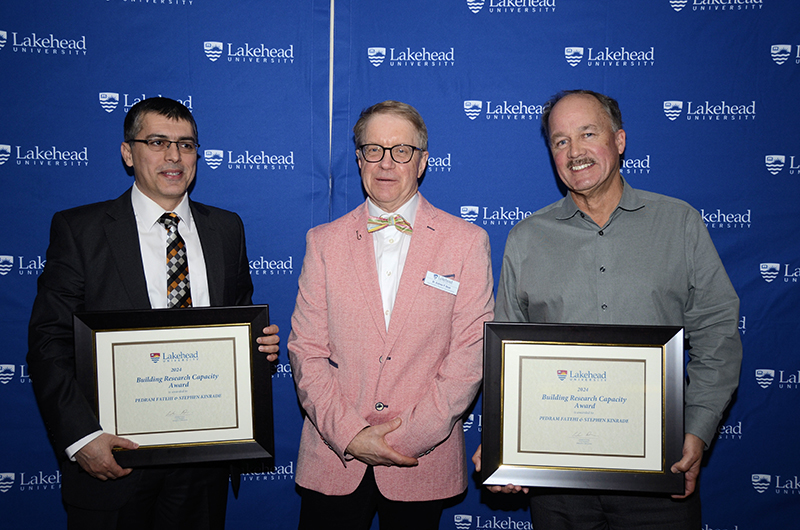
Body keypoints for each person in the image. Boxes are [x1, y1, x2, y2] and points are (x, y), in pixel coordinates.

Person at [473, 89, 742, 529]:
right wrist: (503, 443)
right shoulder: (526, 238)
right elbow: (508, 357)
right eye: (560, 141)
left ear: (619, 140)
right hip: (556, 481)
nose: (575, 152)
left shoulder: (679, 223)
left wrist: (695, 430)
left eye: (587, 134)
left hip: (659, 473)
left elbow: (717, 336)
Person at [27, 97, 280, 530]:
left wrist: (258, 349)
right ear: (128, 152)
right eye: (158, 142)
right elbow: (48, 342)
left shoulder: (226, 229)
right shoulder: (80, 230)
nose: (173, 156)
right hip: (113, 460)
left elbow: (235, 326)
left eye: (186, 144)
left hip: (204, 464)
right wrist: (82, 438)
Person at [287, 100, 494, 530]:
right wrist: (353, 436)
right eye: (374, 149)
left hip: (421, 461)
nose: (386, 162)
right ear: (359, 158)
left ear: (421, 163)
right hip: (335, 458)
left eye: (401, 150)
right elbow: (306, 351)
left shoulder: (466, 242)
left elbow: (470, 356)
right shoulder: (322, 243)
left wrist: (404, 440)